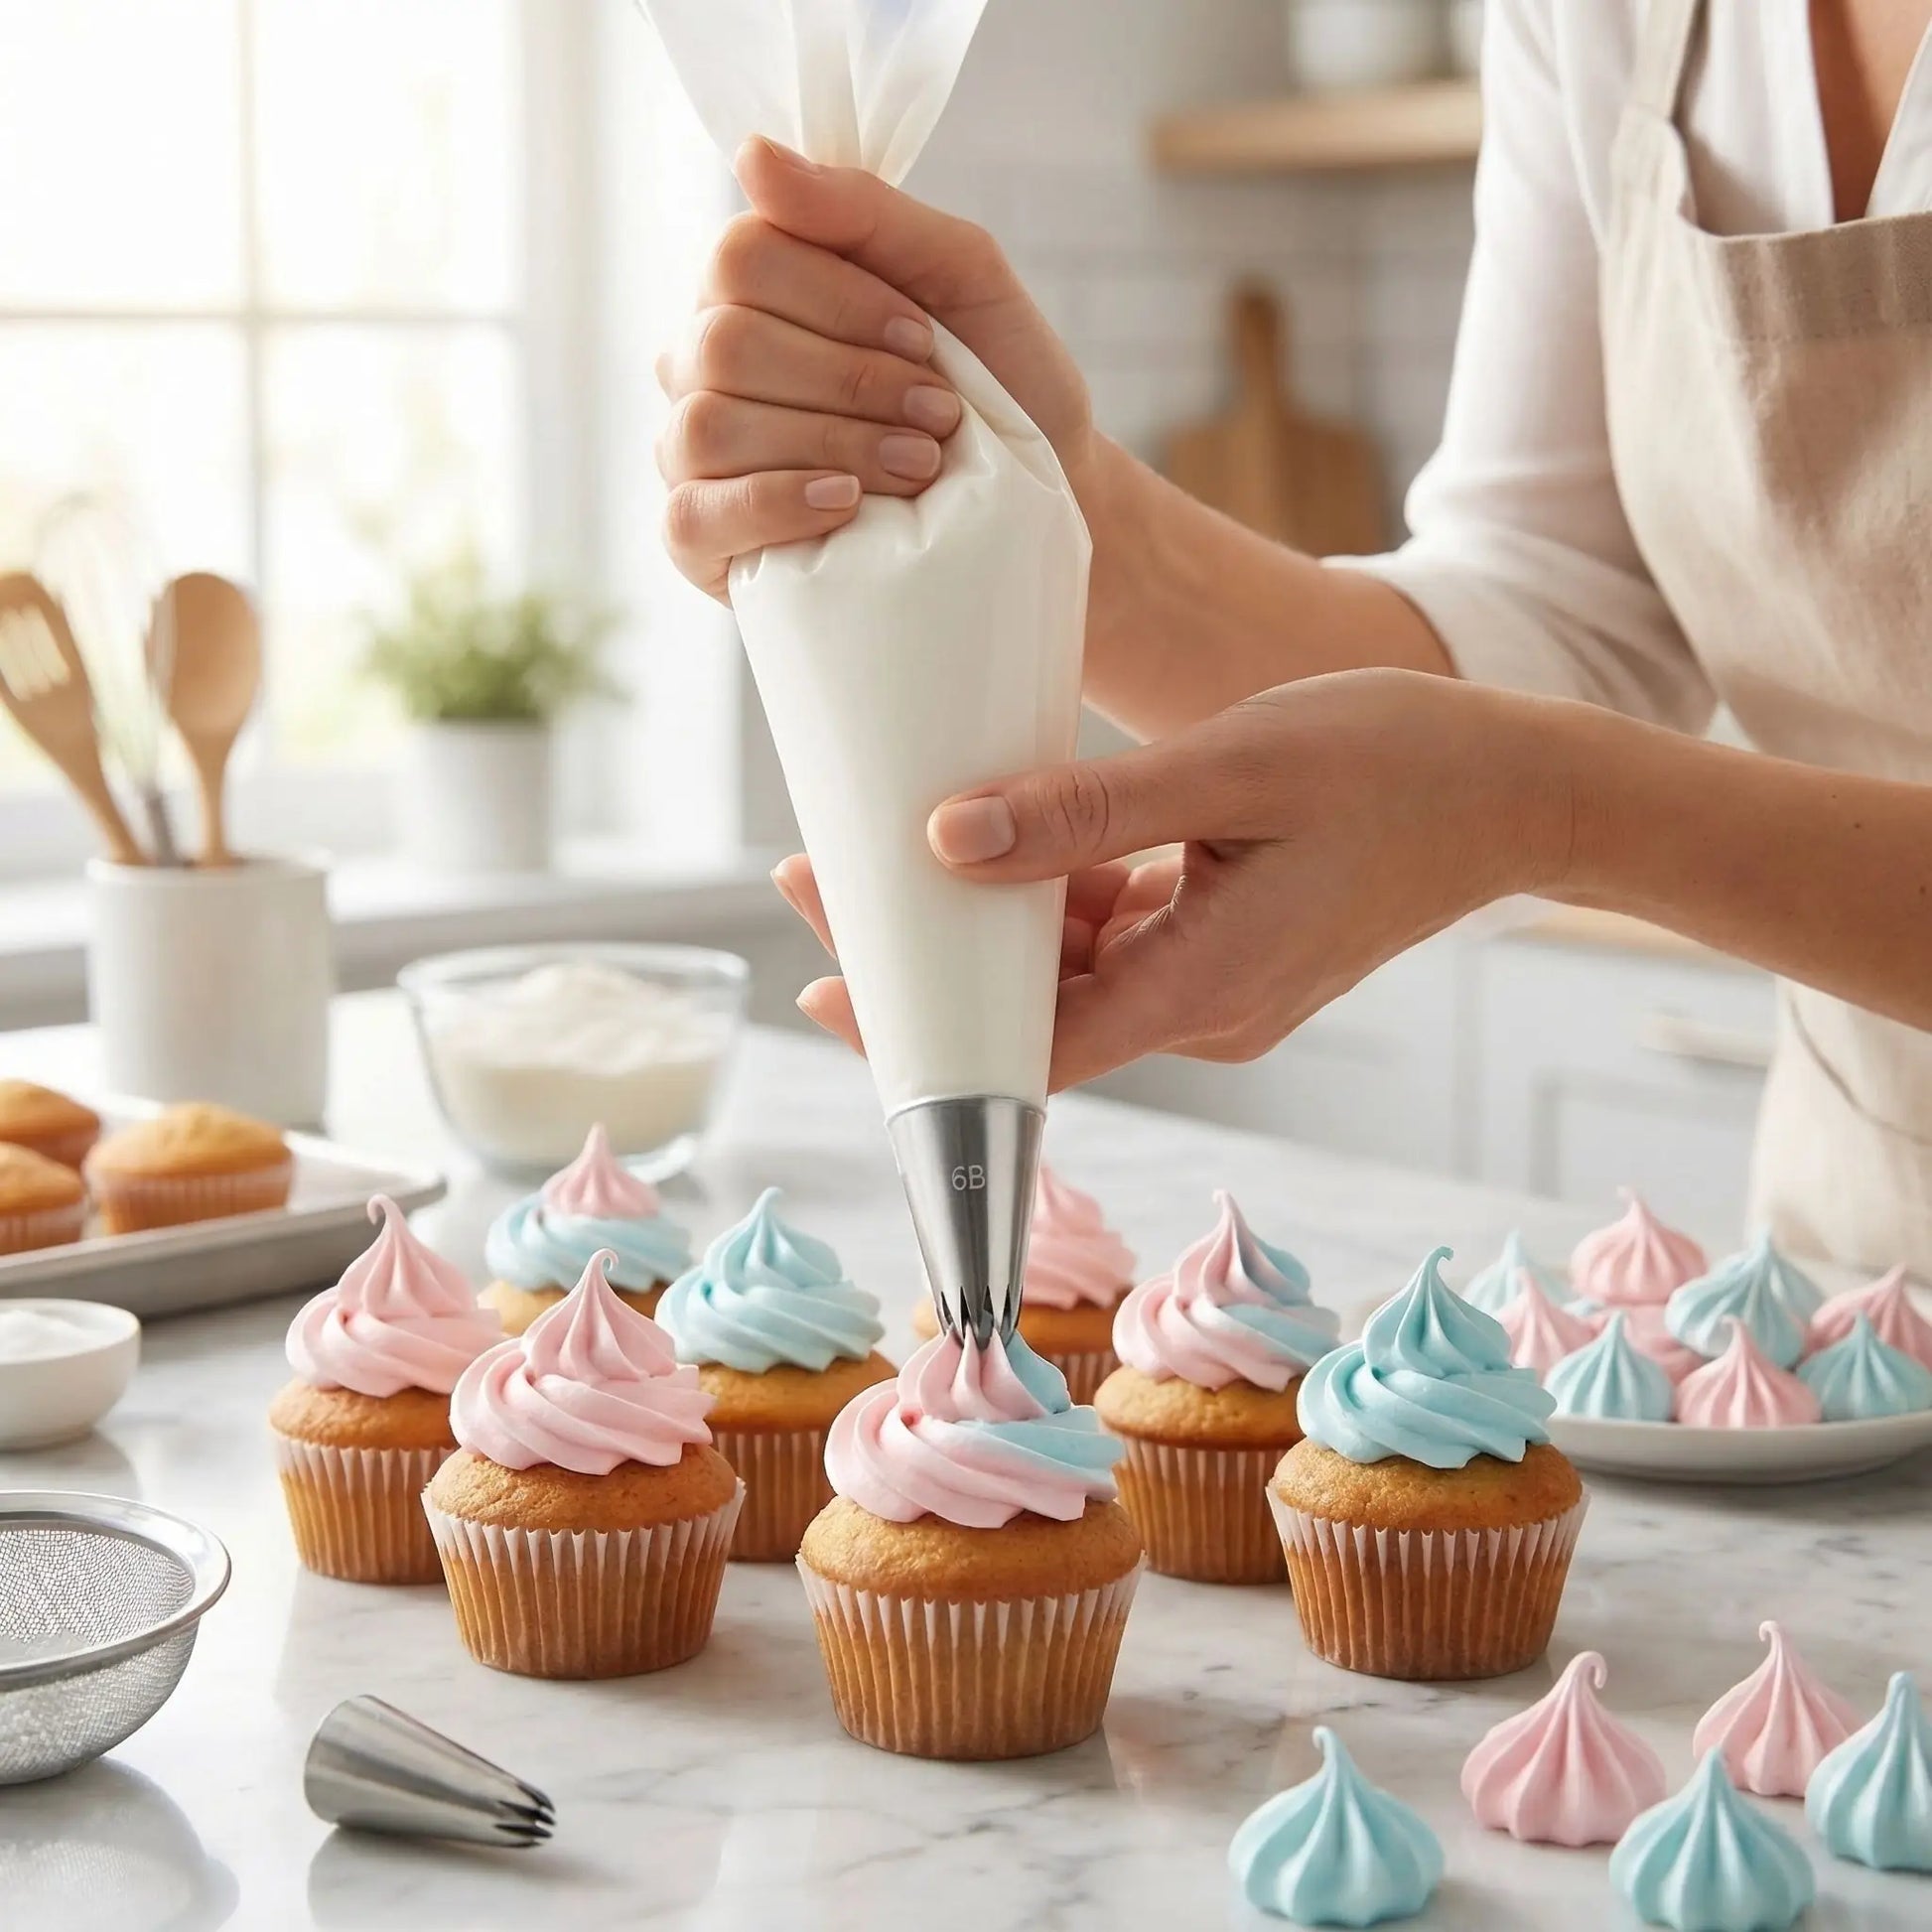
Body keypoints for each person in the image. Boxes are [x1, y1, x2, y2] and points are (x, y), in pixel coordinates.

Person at [653, 0, 1932, 1275]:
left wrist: (1545, 807)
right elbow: (1559, 620)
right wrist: (1057, 509)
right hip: (1855, 1286)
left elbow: (1537, 760)